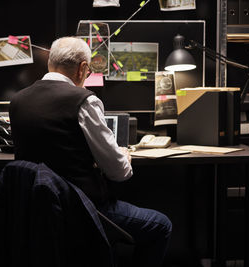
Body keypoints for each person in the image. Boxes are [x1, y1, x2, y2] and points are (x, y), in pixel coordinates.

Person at [9, 36, 172, 267]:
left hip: (36, 213)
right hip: (82, 211)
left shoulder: (17, 101)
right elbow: (119, 172)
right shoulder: (83, 101)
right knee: (161, 225)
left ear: (50, 63)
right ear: (83, 68)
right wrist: (124, 156)